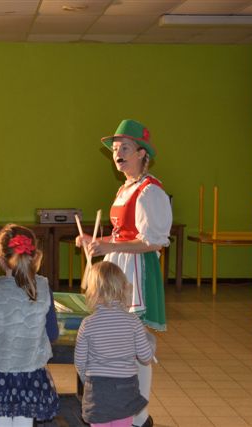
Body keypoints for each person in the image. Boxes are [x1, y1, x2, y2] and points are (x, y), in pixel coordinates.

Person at [76, 119, 172, 427]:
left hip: (137, 271)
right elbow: (123, 234)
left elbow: (153, 242)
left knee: (135, 342)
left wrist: (109, 246)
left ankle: (138, 416)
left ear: (142, 153)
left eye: (125, 148)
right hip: (120, 266)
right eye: (116, 149)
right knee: (120, 341)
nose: (118, 154)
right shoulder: (125, 188)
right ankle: (126, 412)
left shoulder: (150, 191)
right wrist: (97, 242)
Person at [0, 224, 60, 426]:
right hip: (30, 372)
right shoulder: (43, 287)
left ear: (0, 259)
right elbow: (52, 334)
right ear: (33, 256)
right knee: (24, 421)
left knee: (0, 421)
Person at [75, 261, 154, 427]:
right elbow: (146, 358)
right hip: (125, 389)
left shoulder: (87, 323)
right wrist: (150, 341)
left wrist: (87, 381)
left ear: (92, 292)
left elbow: (80, 361)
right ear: (124, 288)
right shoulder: (133, 321)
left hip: (97, 390)